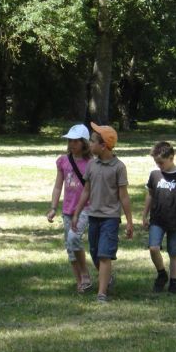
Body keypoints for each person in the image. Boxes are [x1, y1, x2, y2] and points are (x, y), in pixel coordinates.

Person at [72, 122, 133, 303]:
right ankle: (107, 280)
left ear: (103, 145)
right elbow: (86, 191)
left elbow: (124, 197)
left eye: (92, 141)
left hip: (110, 218)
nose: (89, 145)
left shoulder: (119, 167)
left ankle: (101, 293)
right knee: (95, 252)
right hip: (94, 216)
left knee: (104, 254)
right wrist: (76, 213)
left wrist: (129, 221)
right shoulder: (92, 165)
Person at [142, 142, 176, 294]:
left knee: (174, 253)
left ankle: (173, 282)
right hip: (157, 220)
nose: (159, 165)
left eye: (161, 162)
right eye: (156, 162)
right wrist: (144, 215)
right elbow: (150, 195)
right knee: (153, 248)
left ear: (171, 158)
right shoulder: (154, 174)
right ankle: (161, 274)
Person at [47, 124, 93, 293]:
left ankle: (86, 274)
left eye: (75, 141)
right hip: (68, 210)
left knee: (74, 239)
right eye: (69, 141)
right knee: (70, 247)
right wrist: (53, 207)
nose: (71, 144)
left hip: (85, 209)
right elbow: (58, 186)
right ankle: (80, 281)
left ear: (84, 143)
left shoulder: (91, 163)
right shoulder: (63, 161)